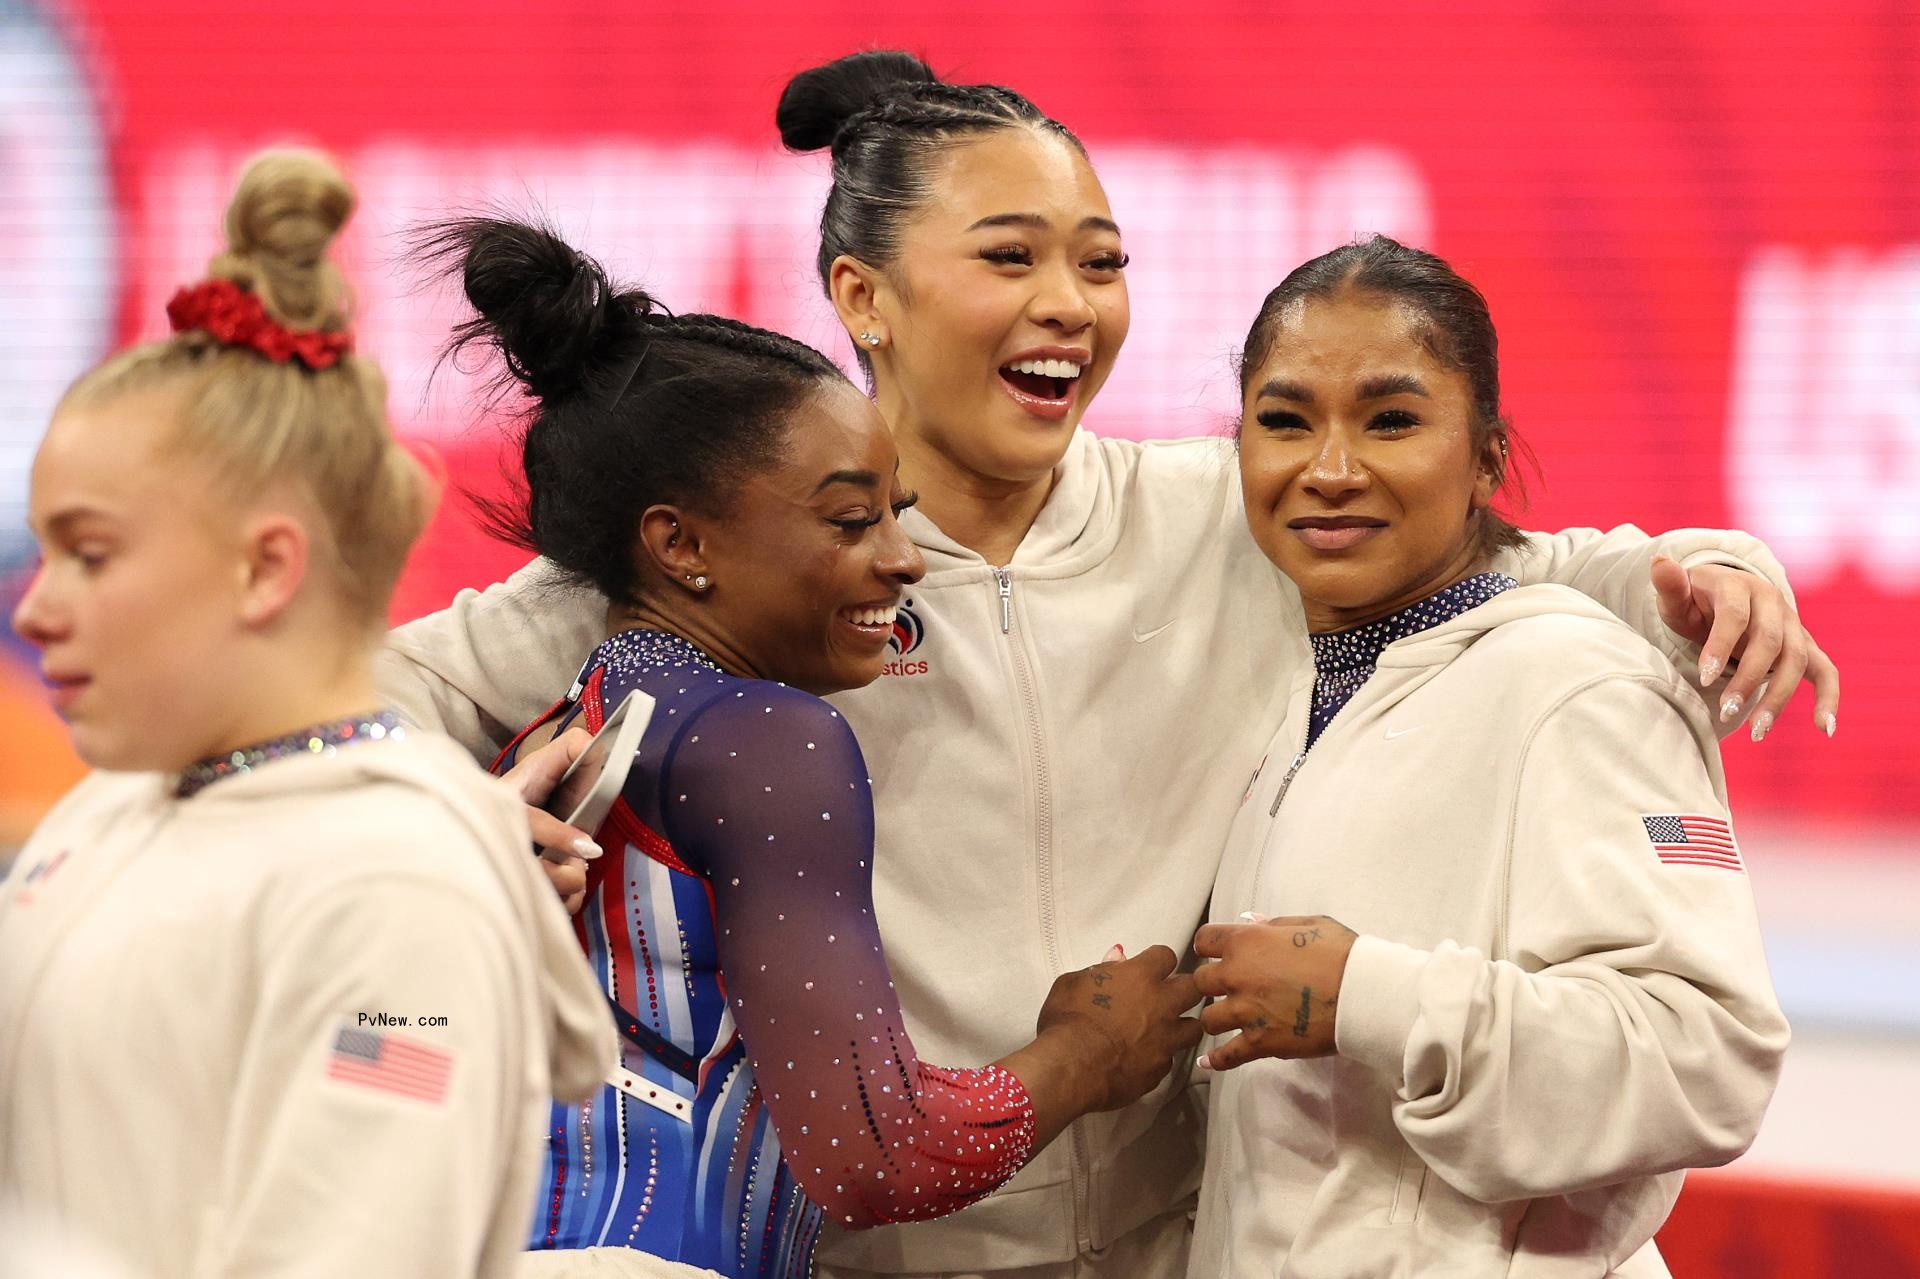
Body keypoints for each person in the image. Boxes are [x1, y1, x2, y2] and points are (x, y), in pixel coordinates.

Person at [378, 53, 1834, 1279]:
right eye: (1009, 256)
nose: (1071, 301)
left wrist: (1724, 570)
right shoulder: (756, 570)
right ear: (862, 296)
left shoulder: (1227, 511)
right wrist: (457, 822)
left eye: (1102, 259)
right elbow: (369, 706)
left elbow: (1533, 559)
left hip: (1182, 1241)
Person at [419, 217, 1205, 1279]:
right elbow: (877, 1157)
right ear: (680, 544)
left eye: (899, 514)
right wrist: (1088, 1055)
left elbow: (389, 1058)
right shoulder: (765, 741)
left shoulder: (561, 730)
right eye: (849, 523)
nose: (901, 560)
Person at [0, 150, 616, 1278]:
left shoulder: (397, 890)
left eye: (89, 555)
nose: (35, 611)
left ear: (264, 567)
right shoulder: (114, 805)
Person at [1188, 236, 1789, 1277]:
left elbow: (1707, 1057)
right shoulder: (1280, 673)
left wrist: (1372, 996)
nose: (1331, 469)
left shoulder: (1581, 684)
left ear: (1486, 458)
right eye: (1285, 421)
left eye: (1392, 420)